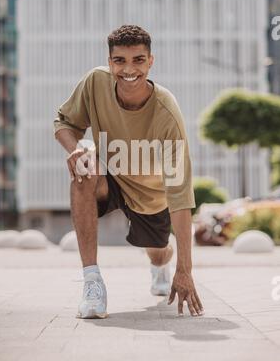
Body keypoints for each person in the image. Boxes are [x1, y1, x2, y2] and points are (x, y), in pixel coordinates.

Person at [54, 25, 204, 319]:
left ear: (151, 61)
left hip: (151, 197)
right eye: (119, 60)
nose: (129, 69)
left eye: (138, 60)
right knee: (83, 169)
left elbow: (180, 195)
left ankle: (161, 264)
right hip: (108, 177)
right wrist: (74, 149)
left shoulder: (167, 114)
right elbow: (64, 123)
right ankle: (92, 282)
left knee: (158, 251)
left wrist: (184, 270)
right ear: (110, 63)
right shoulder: (95, 83)